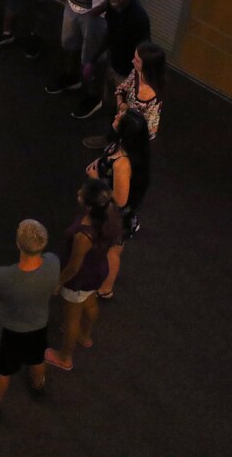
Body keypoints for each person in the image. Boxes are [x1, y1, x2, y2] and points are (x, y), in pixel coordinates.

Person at [0, 219, 59, 423]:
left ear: (19, 244)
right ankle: (38, 386)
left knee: (3, 369)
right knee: (37, 357)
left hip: (8, 330)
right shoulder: (53, 262)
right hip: (39, 324)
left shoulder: (4, 275)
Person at [44, 179, 121, 372]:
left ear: (88, 206)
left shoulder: (83, 235)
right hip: (98, 271)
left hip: (80, 278)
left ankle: (64, 357)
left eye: (81, 193)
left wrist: (59, 282)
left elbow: (74, 266)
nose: (78, 192)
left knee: (71, 318)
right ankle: (85, 336)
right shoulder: (109, 217)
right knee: (90, 301)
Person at [71, 0, 151, 120]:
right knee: (110, 104)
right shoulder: (114, 4)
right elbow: (110, 35)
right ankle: (109, 137)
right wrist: (93, 60)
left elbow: (143, 53)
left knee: (122, 112)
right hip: (114, 65)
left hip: (127, 74)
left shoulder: (138, 18)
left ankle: (114, 140)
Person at [87, 110, 151, 299]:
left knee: (112, 252)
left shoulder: (122, 164)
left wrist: (96, 179)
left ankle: (106, 288)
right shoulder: (124, 148)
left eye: (118, 119)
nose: (115, 117)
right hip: (111, 212)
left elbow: (120, 200)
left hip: (116, 217)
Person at [113, 41, 165, 140]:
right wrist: (120, 104)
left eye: (137, 60)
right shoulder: (137, 72)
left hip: (135, 134)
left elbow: (136, 123)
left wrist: (122, 108)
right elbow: (123, 87)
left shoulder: (148, 94)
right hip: (126, 120)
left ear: (148, 66)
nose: (132, 61)